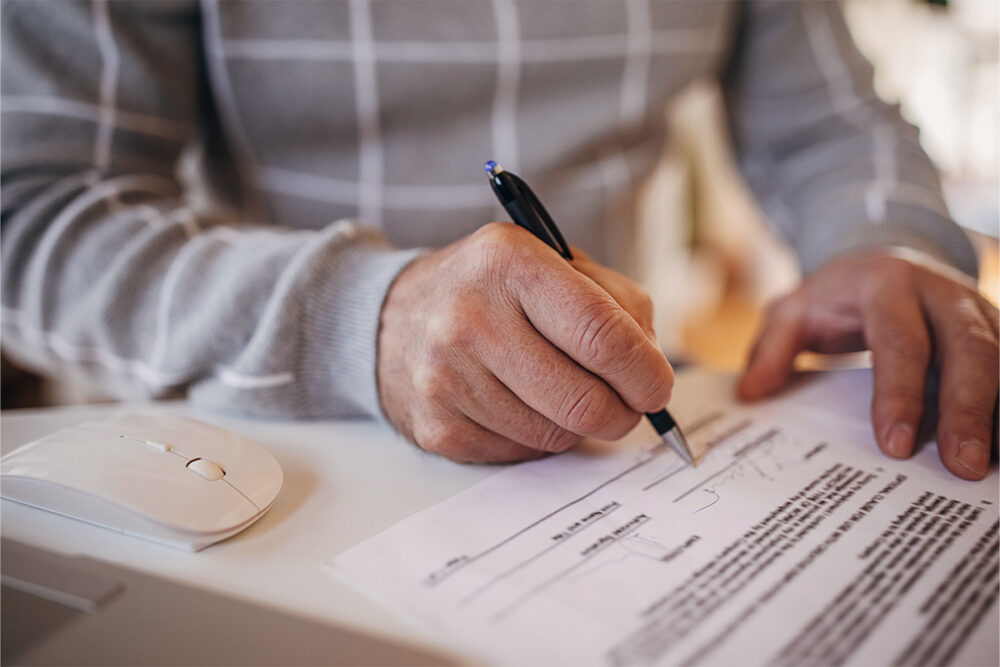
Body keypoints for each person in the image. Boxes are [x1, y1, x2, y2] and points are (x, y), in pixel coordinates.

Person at [2, 1, 996, 479]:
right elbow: (27, 215)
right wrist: (366, 321)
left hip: (594, 445)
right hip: (259, 464)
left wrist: (887, 236)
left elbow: (825, 124)